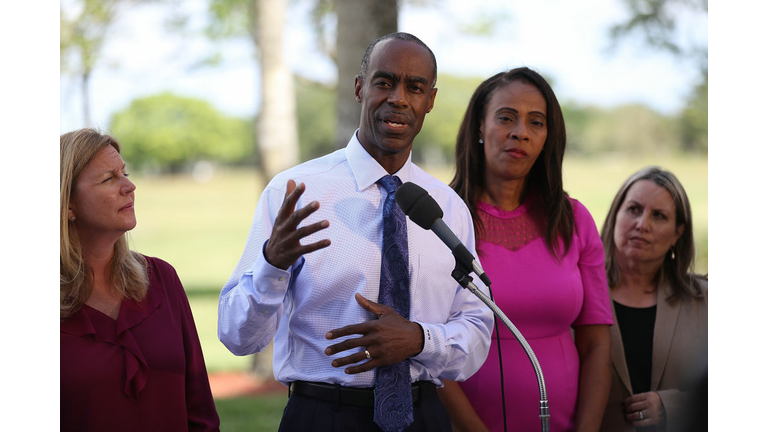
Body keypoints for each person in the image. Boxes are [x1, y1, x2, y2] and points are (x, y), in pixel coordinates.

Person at [218, 32, 494, 432]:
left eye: (414, 88)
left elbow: (477, 329)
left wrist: (419, 340)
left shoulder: (446, 208)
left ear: (429, 101)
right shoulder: (295, 192)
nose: (398, 98)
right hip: (323, 415)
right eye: (384, 82)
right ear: (359, 87)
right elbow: (238, 338)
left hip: (425, 416)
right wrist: (271, 264)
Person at [439, 67, 613, 432]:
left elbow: (597, 344)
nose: (520, 132)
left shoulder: (574, 219)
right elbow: (428, 346)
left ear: (548, 137)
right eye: (506, 118)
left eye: (536, 122)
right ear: (479, 128)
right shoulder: (441, 220)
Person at [60, 129, 220, 432]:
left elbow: (201, 412)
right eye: (109, 179)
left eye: (125, 173)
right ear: (67, 205)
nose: (130, 186)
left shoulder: (161, 279)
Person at [598, 167, 707, 432]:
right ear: (616, 215)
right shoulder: (578, 293)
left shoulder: (705, 300)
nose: (642, 224)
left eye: (658, 216)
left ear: (677, 233)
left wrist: (673, 405)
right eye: (634, 209)